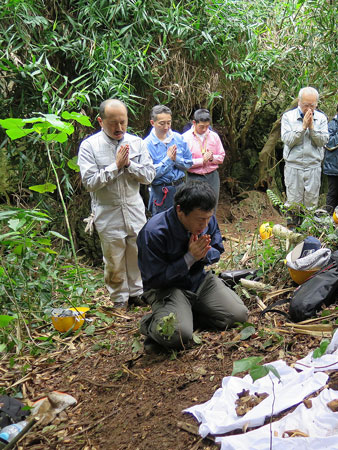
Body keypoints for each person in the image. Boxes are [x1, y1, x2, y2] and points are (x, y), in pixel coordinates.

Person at [137, 181, 248, 352]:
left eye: (208, 218)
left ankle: (187, 316)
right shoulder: (154, 232)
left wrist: (202, 256)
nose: (204, 224)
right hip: (167, 289)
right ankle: (150, 323)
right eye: (200, 219)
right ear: (180, 210)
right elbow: (154, 280)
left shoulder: (207, 219)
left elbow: (217, 249)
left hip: (198, 281)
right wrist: (189, 258)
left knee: (238, 316)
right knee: (176, 335)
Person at [78, 99, 155, 308]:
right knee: (114, 259)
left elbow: (149, 175)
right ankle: (119, 299)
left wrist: (129, 164)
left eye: (123, 122)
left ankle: (138, 293)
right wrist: (115, 166)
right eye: (113, 123)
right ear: (100, 121)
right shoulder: (89, 146)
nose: (119, 128)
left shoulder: (137, 143)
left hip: (134, 207)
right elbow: (90, 183)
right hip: (107, 211)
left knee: (137, 252)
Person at [280, 87, 329, 225]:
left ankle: (309, 233)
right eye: (306, 105)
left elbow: (323, 141)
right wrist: (302, 127)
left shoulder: (321, 118)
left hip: (313, 166)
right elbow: (288, 140)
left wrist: (312, 128)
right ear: (299, 102)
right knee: (293, 203)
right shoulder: (288, 117)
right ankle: (293, 233)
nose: (309, 108)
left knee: (311, 203)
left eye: (312, 105)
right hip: (293, 166)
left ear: (316, 104)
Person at [144, 105, 193, 215]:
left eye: (169, 123)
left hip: (181, 188)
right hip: (161, 192)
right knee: (161, 226)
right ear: (153, 123)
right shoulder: (146, 144)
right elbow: (149, 174)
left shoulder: (178, 138)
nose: (166, 127)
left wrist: (176, 159)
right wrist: (168, 160)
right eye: (162, 123)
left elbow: (189, 163)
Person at [182, 109, 225, 211]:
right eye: (202, 127)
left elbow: (222, 156)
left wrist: (212, 158)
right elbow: (183, 162)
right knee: (196, 207)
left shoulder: (214, 136)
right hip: (194, 177)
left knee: (212, 206)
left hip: (212, 176)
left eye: (207, 126)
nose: (205, 129)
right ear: (194, 123)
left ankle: (211, 227)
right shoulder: (185, 138)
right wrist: (201, 161)